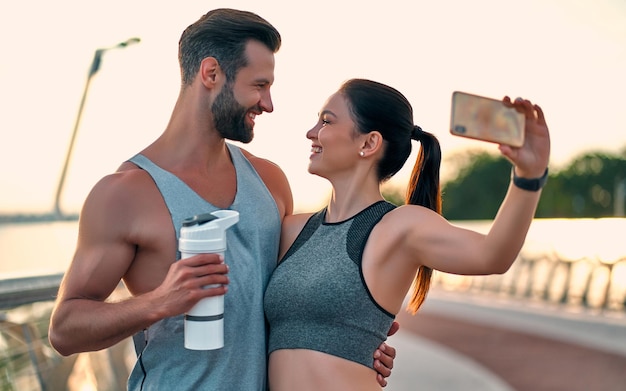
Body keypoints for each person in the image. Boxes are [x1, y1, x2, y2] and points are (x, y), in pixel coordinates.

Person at [48, 9, 396, 391]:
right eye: (259, 85)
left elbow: (286, 299)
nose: (268, 104)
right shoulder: (124, 194)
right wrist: (158, 302)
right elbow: (64, 331)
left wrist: (350, 337)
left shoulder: (271, 182)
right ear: (211, 74)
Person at [264, 78, 551, 390]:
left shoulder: (399, 227)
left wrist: (528, 176)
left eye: (326, 121)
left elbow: (492, 255)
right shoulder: (292, 229)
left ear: (369, 143)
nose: (311, 132)